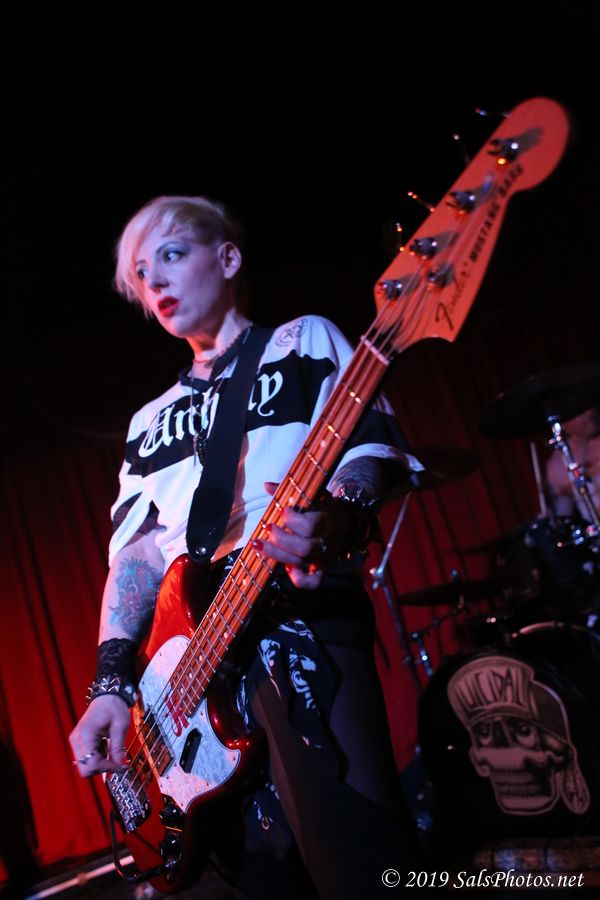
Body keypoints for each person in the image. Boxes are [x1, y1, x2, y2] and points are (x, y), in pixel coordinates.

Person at [69, 195, 424, 899]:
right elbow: (137, 556)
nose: (154, 280)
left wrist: (336, 516)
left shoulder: (303, 341)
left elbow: (367, 451)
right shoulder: (147, 423)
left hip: (298, 623)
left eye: (171, 255)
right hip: (189, 671)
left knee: (364, 870)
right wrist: (110, 687)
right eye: (141, 274)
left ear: (228, 258)